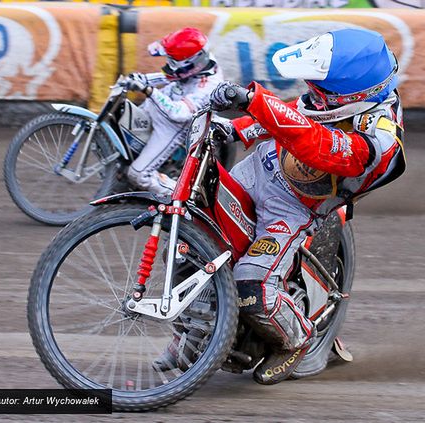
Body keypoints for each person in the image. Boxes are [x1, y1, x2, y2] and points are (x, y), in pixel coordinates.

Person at [205, 28, 406, 384]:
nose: (315, 96)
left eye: (323, 91)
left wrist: (254, 100)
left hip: (294, 207)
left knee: (252, 285)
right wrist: (235, 130)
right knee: (196, 227)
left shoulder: (378, 138)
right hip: (257, 169)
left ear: (356, 94)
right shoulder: (335, 98)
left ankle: (296, 340)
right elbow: (295, 113)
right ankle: (191, 340)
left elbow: (311, 140)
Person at [123, 27, 224, 196]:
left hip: (175, 124)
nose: (169, 64)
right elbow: (172, 74)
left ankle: (184, 197)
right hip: (169, 98)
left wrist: (149, 90)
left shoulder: (209, 86)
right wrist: (142, 79)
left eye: (172, 61)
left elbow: (179, 114)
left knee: (138, 175)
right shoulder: (197, 59)